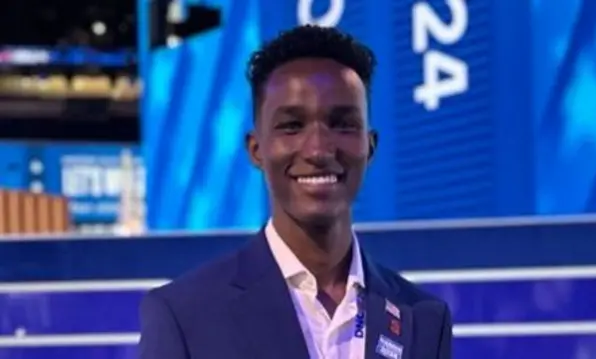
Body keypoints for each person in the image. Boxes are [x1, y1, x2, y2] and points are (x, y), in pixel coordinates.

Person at [138, 25, 452, 359]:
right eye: (292, 126)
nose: (318, 150)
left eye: (342, 123)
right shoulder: (185, 316)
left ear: (370, 147)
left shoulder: (423, 319)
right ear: (256, 149)